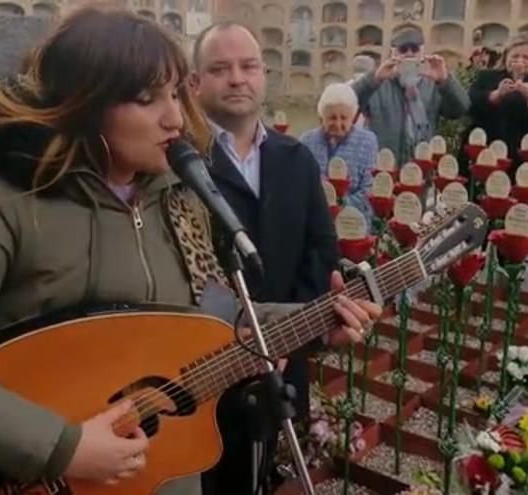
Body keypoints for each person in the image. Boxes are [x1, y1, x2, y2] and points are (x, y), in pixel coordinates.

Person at [0, 8, 381, 495]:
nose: (175, 118)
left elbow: (210, 321)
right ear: (85, 104)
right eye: (147, 99)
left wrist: (313, 322)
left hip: (157, 474)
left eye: (176, 94)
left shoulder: (176, 196)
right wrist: (62, 446)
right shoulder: (9, 203)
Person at [191, 21, 340, 494]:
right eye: (220, 68)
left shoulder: (296, 159)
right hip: (203, 368)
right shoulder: (180, 163)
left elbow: (320, 252)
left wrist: (286, 334)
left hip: (283, 361)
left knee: (259, 478)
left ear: (263, 76)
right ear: (195, 82)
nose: (237, 78)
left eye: (249, 66)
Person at [352, 27, 470, 166]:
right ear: (392, 53)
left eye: (414, 49)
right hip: (383, 168)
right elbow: (348, 105)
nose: (409, 54)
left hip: (420, 168)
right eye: (403, 49)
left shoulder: (432, 83)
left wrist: (445, 81)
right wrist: (374, 79)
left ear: (422, 53)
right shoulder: (378, 82)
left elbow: (461, 109)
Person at [464, 34, 528, 166]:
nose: (520, 60)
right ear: (506, 58)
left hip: (523, 154)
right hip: (486, 148)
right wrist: (496, 94)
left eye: (526, 57)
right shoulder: (487, 77)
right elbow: (469, 105)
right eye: (515, 56)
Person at [300, 82, 378, 222]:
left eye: (343, 118)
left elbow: (369, 189)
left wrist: (340, 205)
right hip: (315, 220)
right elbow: (300, 186)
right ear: (322, 117)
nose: (338, 123)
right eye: (332, 117)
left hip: (353, 224)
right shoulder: (306, 142)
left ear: (352, 118)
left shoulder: (367, 141)